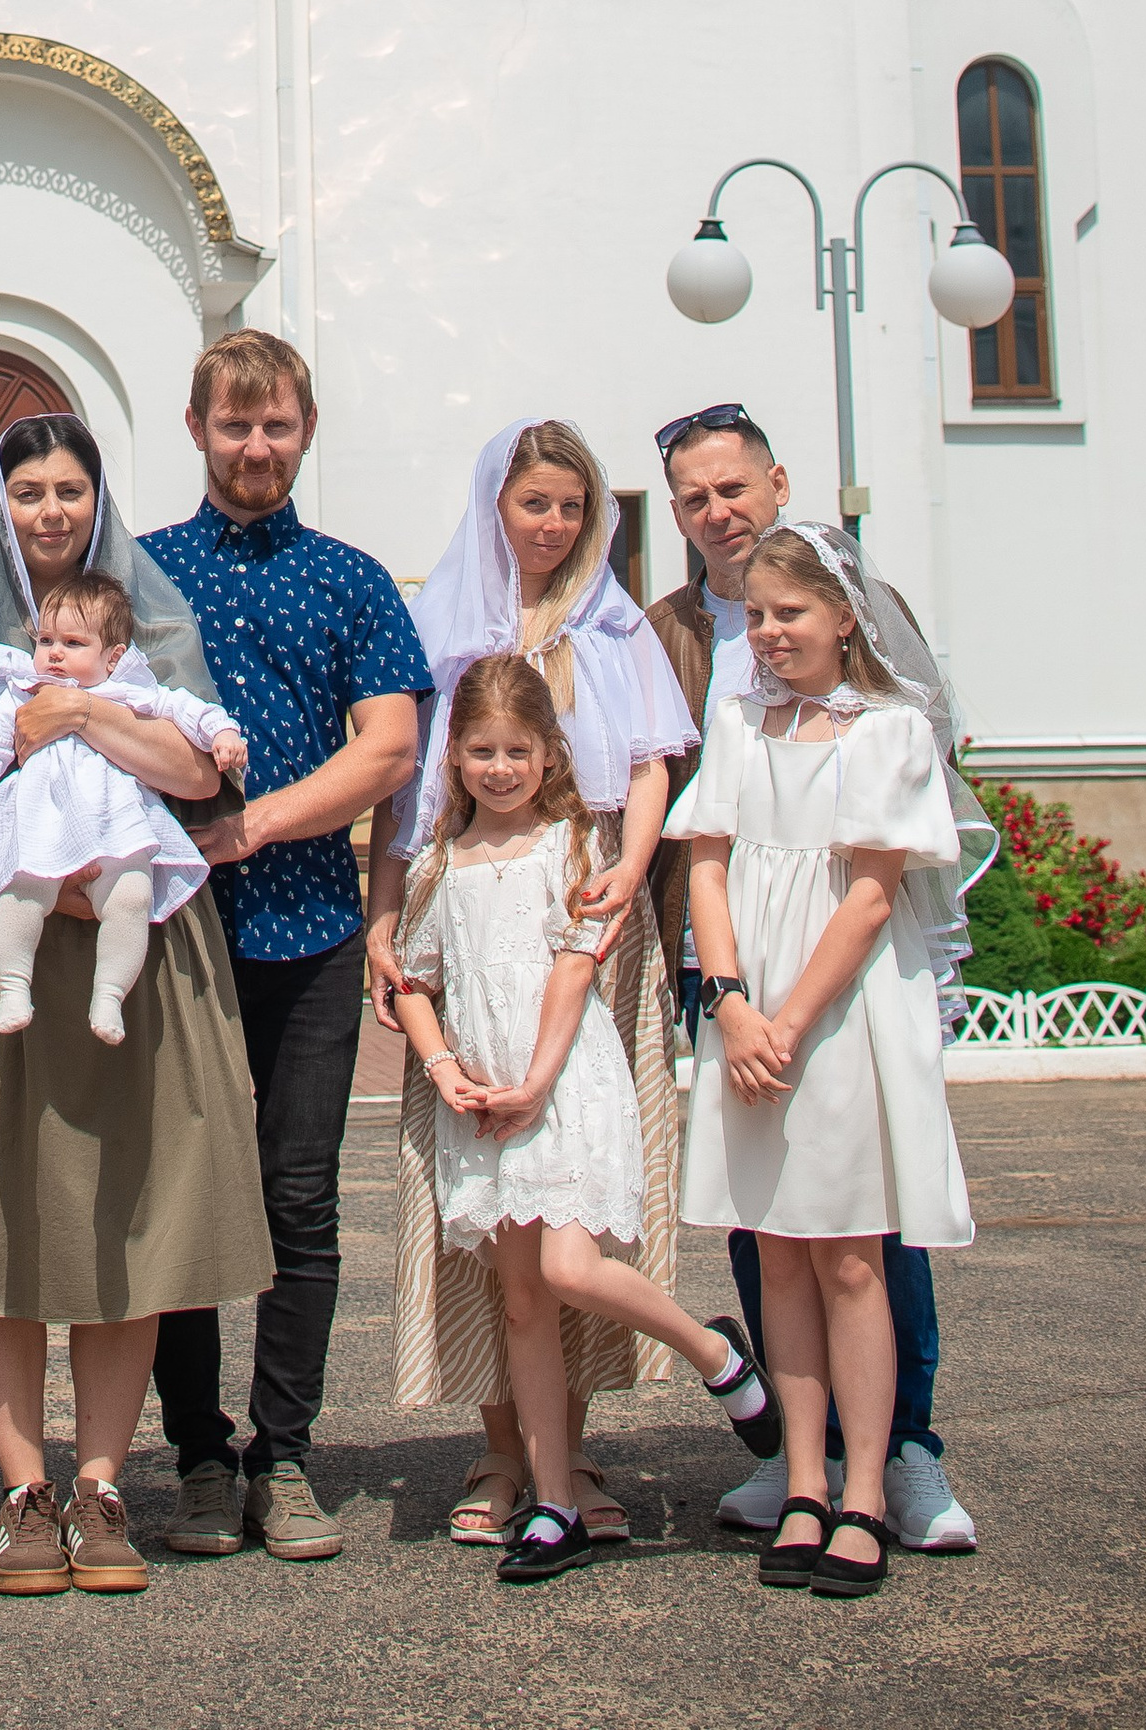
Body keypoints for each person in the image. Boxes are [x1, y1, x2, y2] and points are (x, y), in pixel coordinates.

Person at [0, 413, 273, 1600]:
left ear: (98, 500)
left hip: (132, 952)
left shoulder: (148, 624)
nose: (48, 511)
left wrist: (83, 713)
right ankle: (23, 1492)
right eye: (26, 489)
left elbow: (197, 773)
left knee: (121, 1213)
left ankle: (102, 1485)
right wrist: (35, 884)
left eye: (69, 489)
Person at [647, 405, 987, 1554]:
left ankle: (901, 1451)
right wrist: (723, 990)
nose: (714, 512)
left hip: (837, 975)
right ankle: (806, 1460)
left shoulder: (856, 625)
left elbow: (891, 833)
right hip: (734, 959)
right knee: (765, 1227)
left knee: (865, 1229)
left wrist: (787, 1007)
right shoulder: (681, 633)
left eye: (730, 488)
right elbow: (686, 817)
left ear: (775, 482)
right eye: (691, 499)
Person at [368, 417, 697, 1545]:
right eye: (532, 503)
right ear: (494, 506)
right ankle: (500, 1450)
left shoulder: (613, 626)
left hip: (587, 902)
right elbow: (403, 789)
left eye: (570, 506)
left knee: (582, 1203)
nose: (551, 525)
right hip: (465, 917)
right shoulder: (444, 629)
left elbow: (650, 767)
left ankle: (575, 1447)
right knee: (482, 1200)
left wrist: (631, 874)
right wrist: (383, 916)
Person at [390, 652, 781, 1585]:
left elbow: (576, 965)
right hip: (483, 1103)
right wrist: (446, 1070)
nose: (498, 768)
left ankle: (717, 1354)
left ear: (549, 756)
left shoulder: (574, 845)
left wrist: (533, 1080)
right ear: (455, 759)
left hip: (561, 1088)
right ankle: (553, 1503)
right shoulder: (441, 863)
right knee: (522, 1299)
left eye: (516, 750)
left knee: (569, 1267)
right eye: (480, 751)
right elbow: (415, 980)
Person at [144, 331, 432, 1564]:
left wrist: (251, 823)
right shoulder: (142, 575)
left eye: (276, 427)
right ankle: (199, 1457)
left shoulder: (353, 580)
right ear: (197, 429)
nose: (254, 447)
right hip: (170, 935)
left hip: (308, 926)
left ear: (305, 431)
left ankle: (287, 1456)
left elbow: (389, 752)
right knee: (172, 1201)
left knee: (298, 1199)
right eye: (232, 425)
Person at [0, 566, 245, 1041]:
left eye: (73, 643)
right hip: (43, 820)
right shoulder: (26, 692)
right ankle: (13, 986)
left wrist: (223, 732)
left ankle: (109, 994)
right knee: (20, 896)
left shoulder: (126, 692)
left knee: (130, 898)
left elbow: (185, 708)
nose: (55, 654)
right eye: (46, 641)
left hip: (116, 823)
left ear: (113, 657)